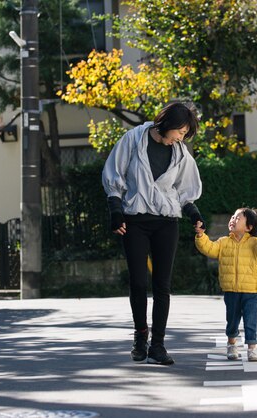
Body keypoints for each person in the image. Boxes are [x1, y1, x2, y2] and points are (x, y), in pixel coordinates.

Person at [102, 102, 205, 365]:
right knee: (137, 282)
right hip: (135, 220)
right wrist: (115, 208)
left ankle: (158, 345)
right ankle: (140, 337)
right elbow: (115, 173)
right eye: (180, 132)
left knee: (162, 285)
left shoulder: (181, 153)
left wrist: (193, 213)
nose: (181, 139)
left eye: (184, 135)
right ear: (167, 124)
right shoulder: (134, 140)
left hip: (166, 222)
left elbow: (185, 189)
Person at [194, 208, 257, 362]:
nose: (232, 219)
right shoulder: (223, 242)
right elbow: (209, 248)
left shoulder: (255, 242)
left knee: (250, 320)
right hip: (231, 289)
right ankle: (231, 344)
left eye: (237, 218)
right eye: (232, 217)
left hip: (251, 290)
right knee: (232, 320)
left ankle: (251, 348)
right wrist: (200, 235)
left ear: (249, 227)